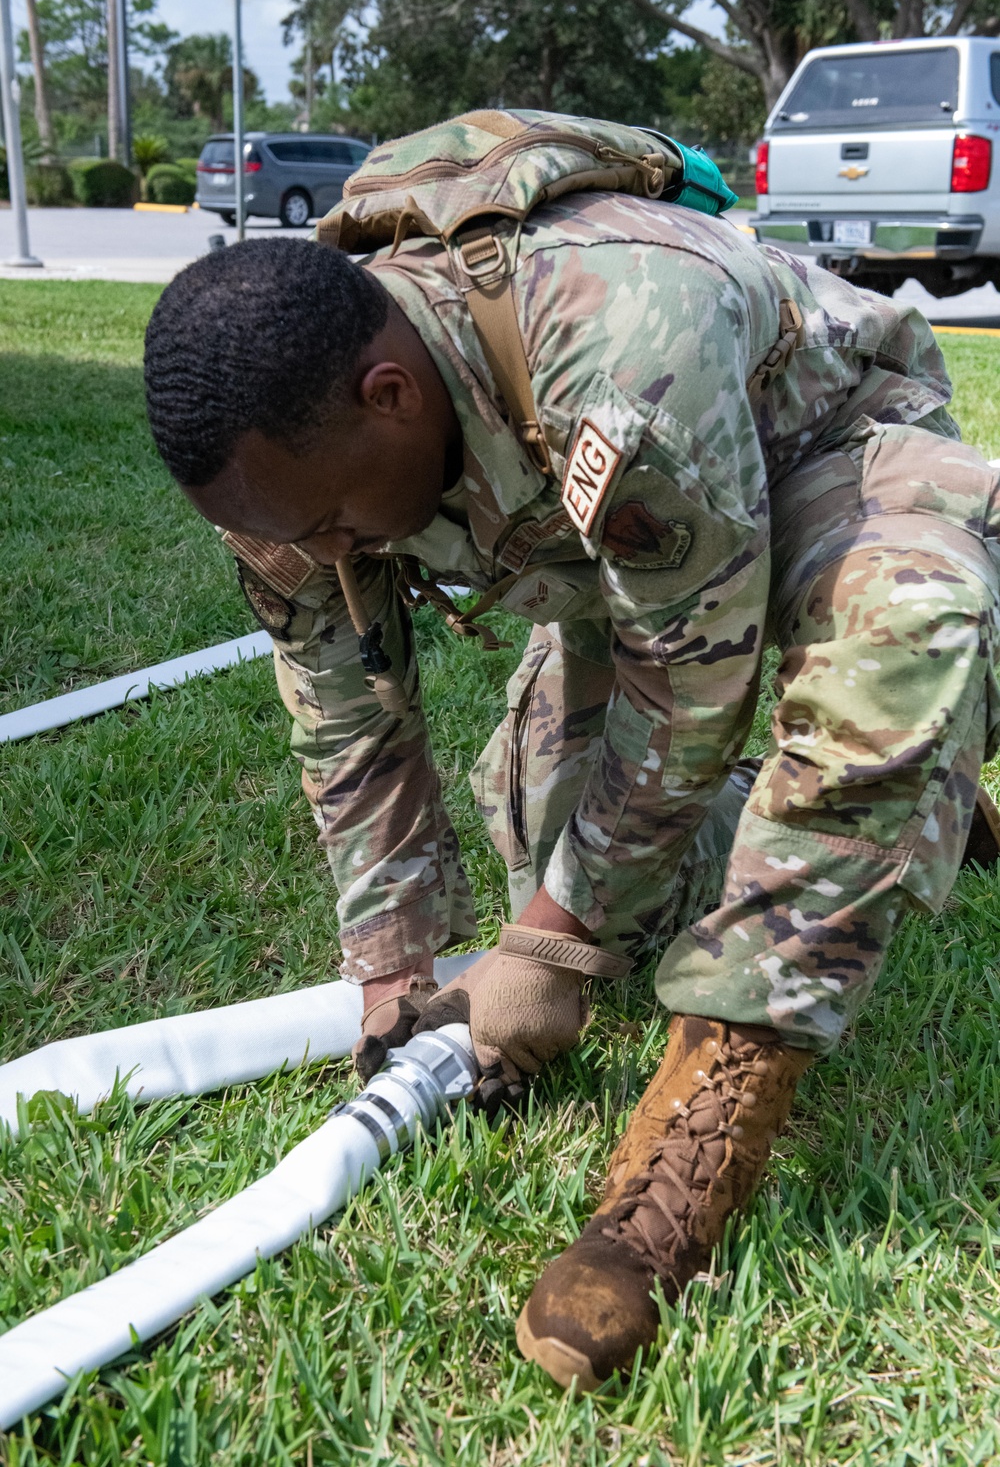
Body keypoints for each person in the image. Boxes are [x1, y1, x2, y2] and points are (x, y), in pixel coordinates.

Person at [143, 178, 1000, 1393]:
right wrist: (394, 966)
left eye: (334, 522)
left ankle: (711, 1111)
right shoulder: (285, 472)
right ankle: (895, 791)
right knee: (561, 834)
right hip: (632, 547)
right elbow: (348, 714)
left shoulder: (617, 332)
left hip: (821, 453)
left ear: (390, 397)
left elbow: (688, 680)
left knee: (899, 629)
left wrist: (548, 947)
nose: (325, 554)